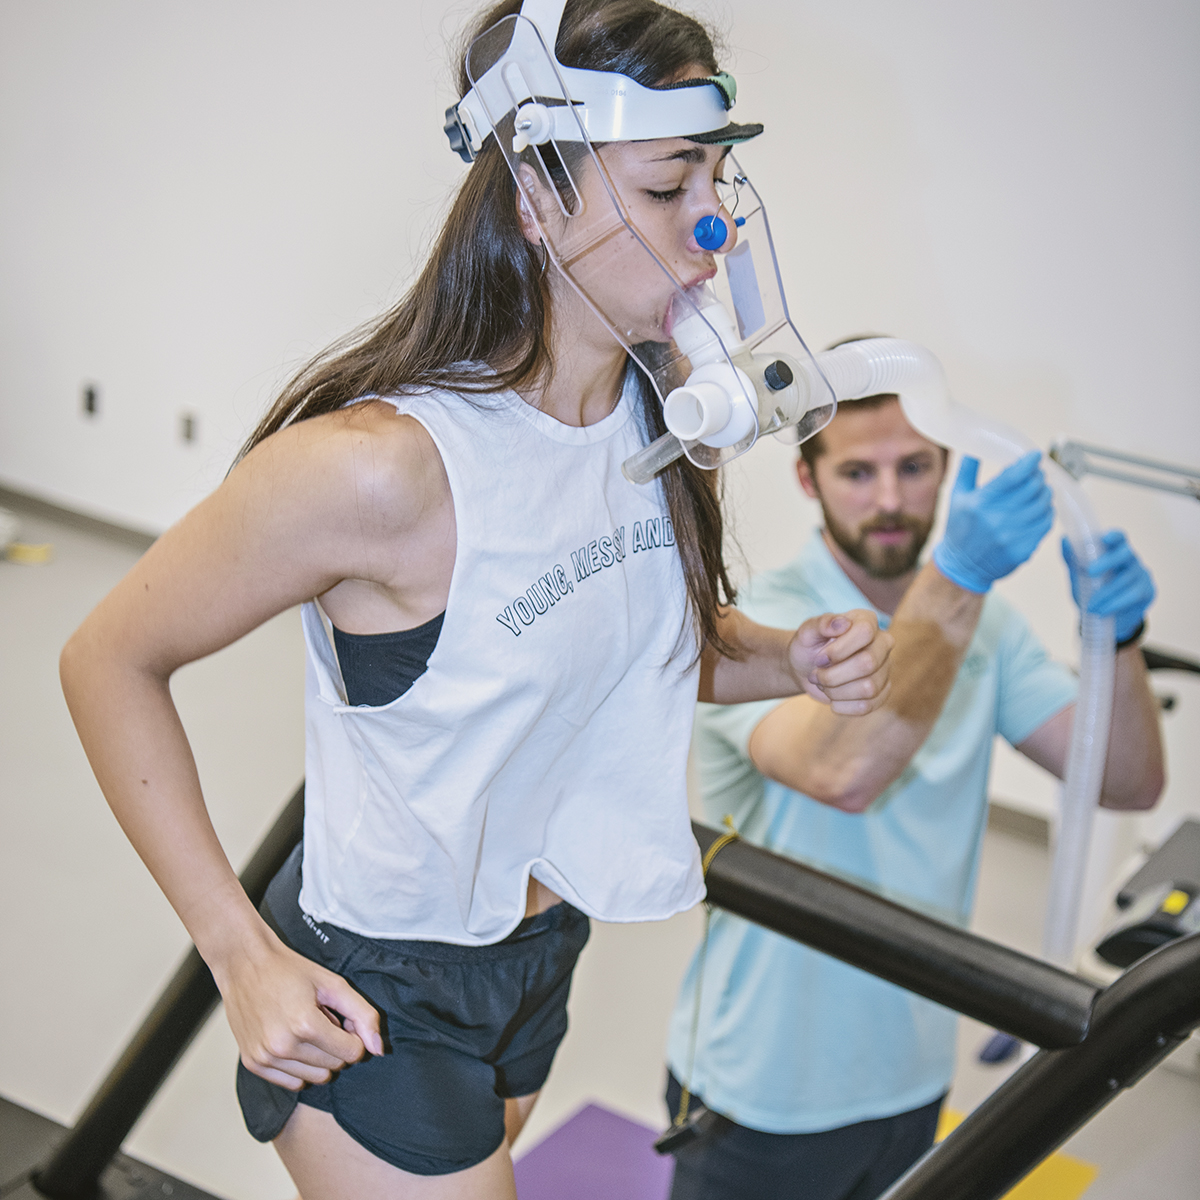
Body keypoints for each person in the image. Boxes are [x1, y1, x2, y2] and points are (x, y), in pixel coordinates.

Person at [58, 3, 895, 1198]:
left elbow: (620, 636)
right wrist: (238, 956)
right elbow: (104, 660)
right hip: (376, 986)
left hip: (538, 955)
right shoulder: (382, 468)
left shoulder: (649, 422)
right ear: (535, 197)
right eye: (667, 187)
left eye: (719, 176)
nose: (712, 227)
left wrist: (787, 660)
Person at [664, 388, 1164, 1200]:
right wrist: (957, 578)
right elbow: (841, 774)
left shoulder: (987, 630)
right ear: (808, 480)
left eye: (914, 467)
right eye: (859, 471)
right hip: (765, 1085)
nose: (891, 499)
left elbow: (1127, 780)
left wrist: (1120, 640)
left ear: (947, 472)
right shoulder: (763, 630)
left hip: (915, 1068)